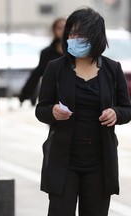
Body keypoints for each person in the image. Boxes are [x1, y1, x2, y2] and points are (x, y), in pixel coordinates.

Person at [35, 7, 131, 216]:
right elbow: (41, 109)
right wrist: (53, 111)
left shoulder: (112, 69)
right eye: (72, 33)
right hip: (64, 161)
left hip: (99, 162)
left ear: (96, 37)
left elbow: (127, 109)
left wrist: (116, 113)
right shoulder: (56, 68)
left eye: (82, 34)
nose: (74, 38)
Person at [19, 17, 66, 106]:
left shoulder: (75, 51)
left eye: (65, 27)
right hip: (53, 95)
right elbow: (36, 74)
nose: (62, 31)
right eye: (59, 28)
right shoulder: (46, 53)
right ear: (54, 30)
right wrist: (24, 96)